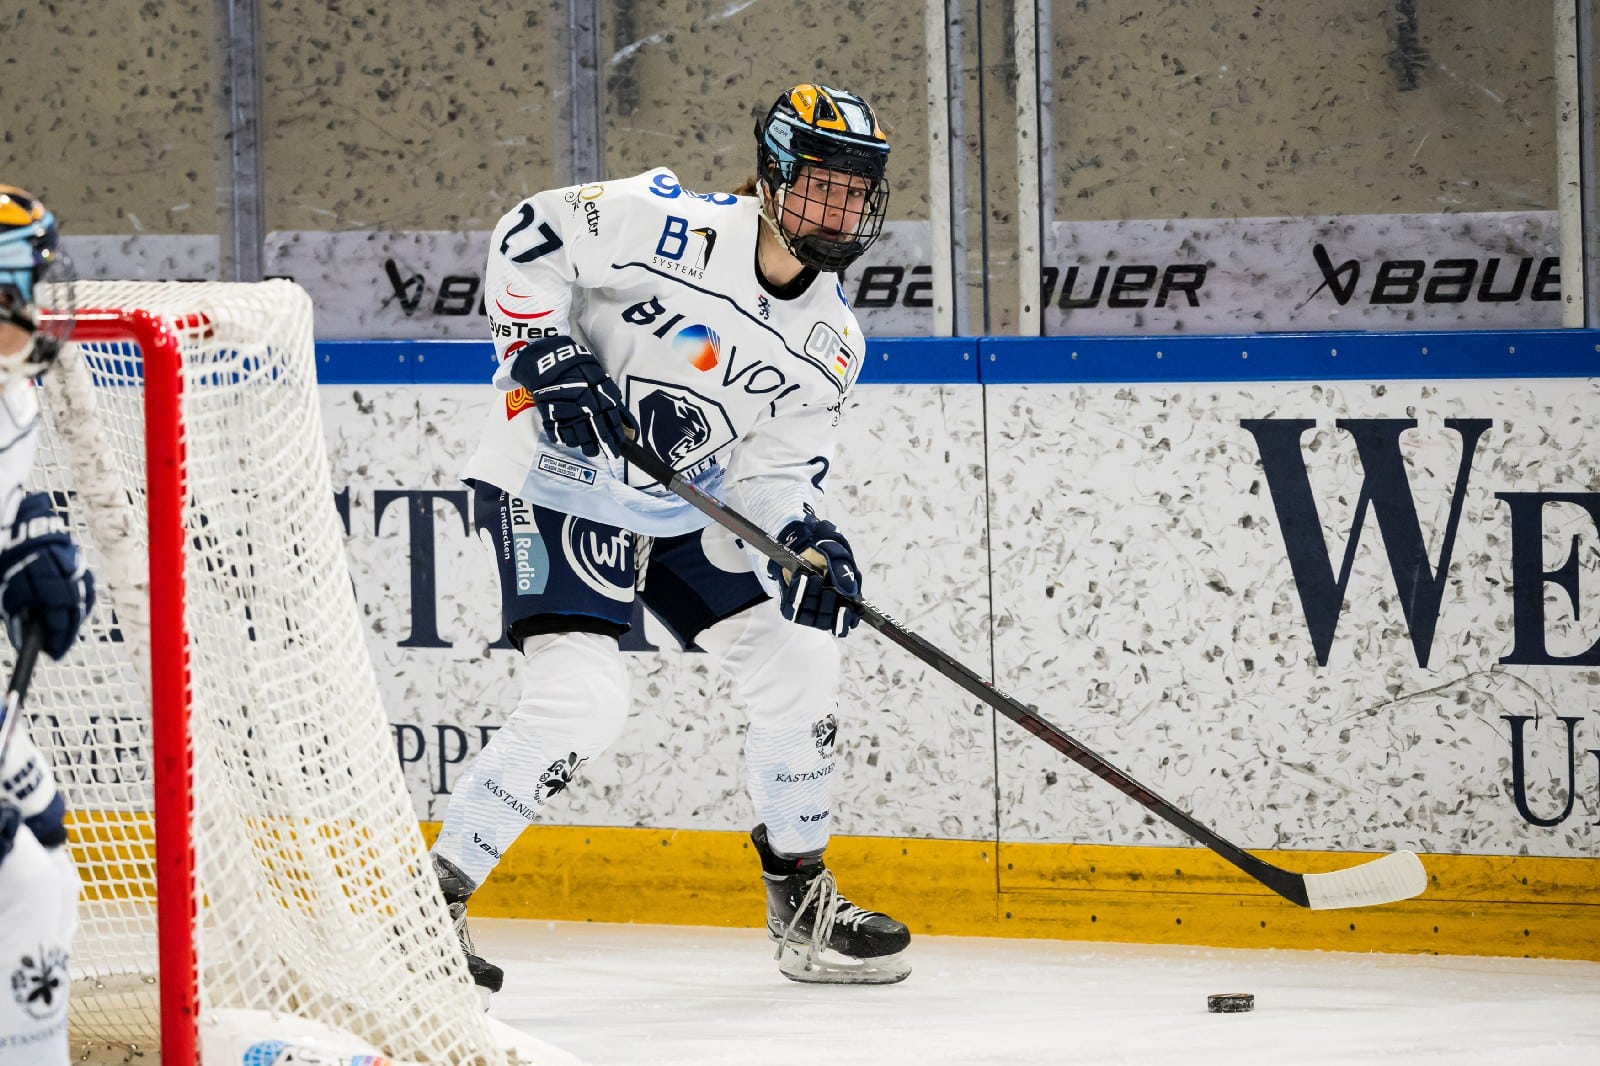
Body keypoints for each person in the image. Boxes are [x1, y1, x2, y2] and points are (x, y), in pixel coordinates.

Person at [430, 84, 909, 991]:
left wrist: (805, 538)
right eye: (822, 184)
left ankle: (800, 896)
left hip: (686, 505)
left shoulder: (833, 342)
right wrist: (540, 347)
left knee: (800, 658)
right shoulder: (668, 223)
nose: (840, 208)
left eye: (857, 192)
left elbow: (772, 474)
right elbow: (529, 234)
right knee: (584, 699)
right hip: (560, 477)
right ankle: (426, 910)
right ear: (773, 176)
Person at [0, 185, 96, 1064]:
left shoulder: (11, 394)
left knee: (47, 857)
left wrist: (22, 536)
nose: (40, 305)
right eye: (26, 285)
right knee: (27, 886)